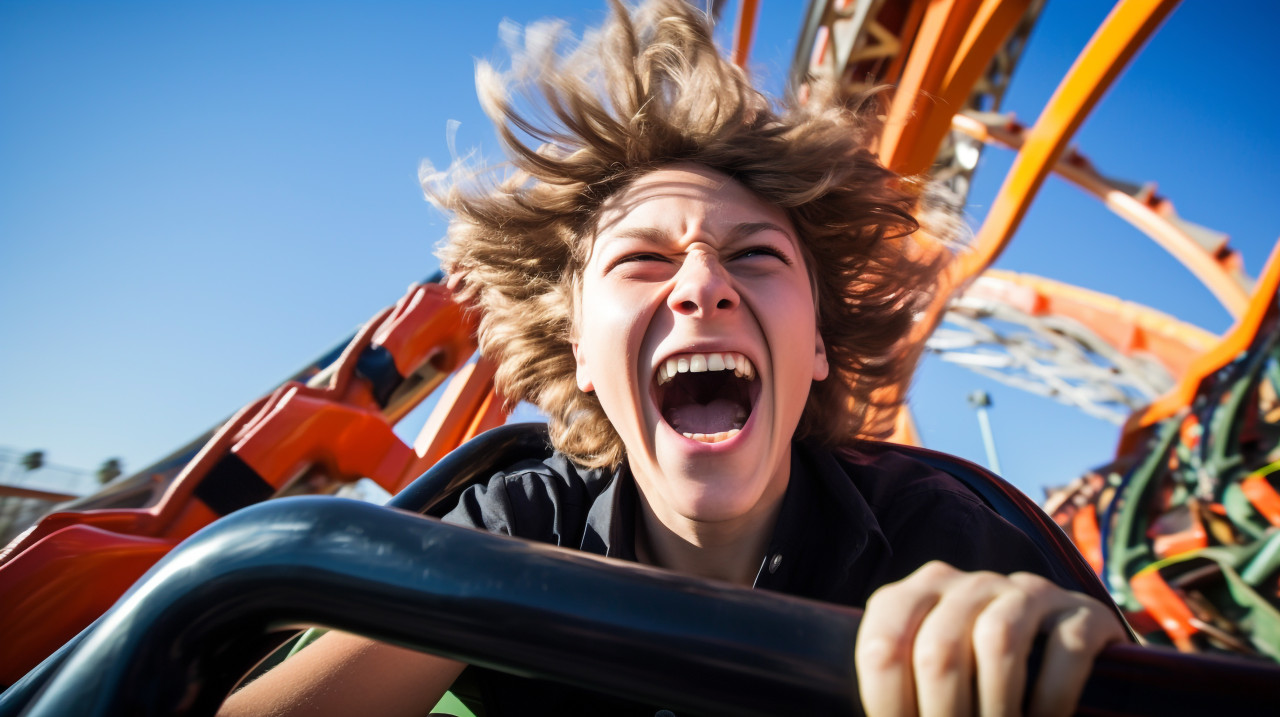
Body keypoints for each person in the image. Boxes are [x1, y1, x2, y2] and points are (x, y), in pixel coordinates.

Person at [219, 1, 1127, 715]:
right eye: (644, 259)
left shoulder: (947, 538)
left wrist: (1057, 663)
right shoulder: (514, 524)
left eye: (757, 256)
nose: (703, 285)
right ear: (579, 349)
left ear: (815, 345)